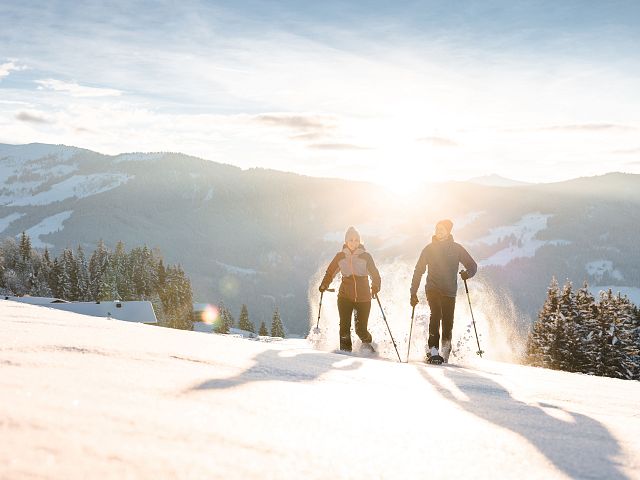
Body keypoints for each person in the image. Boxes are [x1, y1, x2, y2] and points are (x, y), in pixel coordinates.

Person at [409, 219, 477, 363]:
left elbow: (472, 265)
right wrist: (413, 292)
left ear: (448, 231)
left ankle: (445, 351)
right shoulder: (429, 249)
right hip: (433, 288)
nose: (438, 231)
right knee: (436, 314)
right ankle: (433, 350)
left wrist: (468, 273)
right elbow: (418, 270)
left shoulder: (457, 249)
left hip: (450, 291)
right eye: (437, 228)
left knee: (448, 323)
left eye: (442, 229)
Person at [319, 226, 381, 353]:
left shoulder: (366, 256)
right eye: (351, 240)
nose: (354, 243)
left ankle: (369, 346)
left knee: (361, 330)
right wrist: (324, 284)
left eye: (356, 240)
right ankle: (345, 353)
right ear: (346, 241)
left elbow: (375, 275)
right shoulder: (340, 257)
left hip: (363, 298)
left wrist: (375, 286)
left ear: (360, 241)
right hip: (345, 297)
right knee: (344, 328)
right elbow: (330, 272)